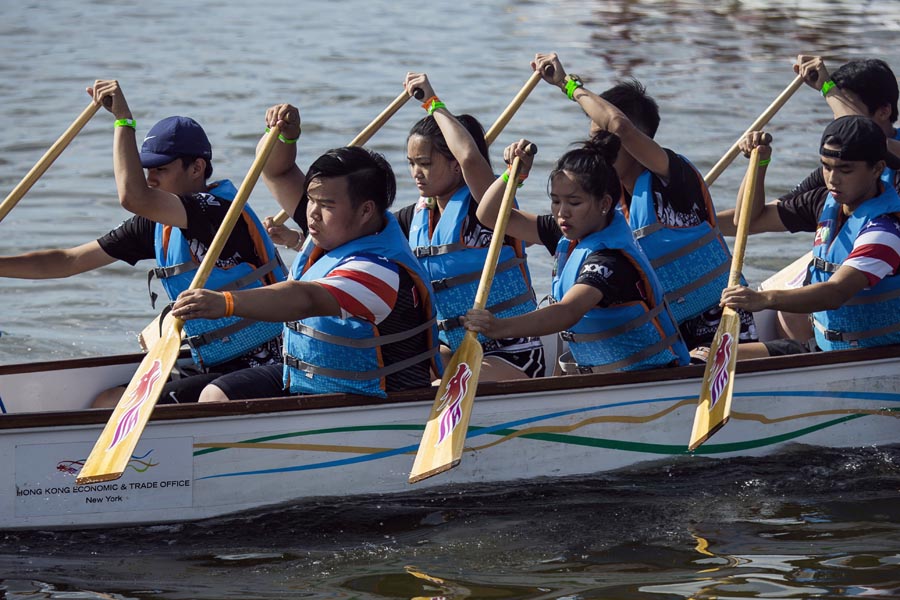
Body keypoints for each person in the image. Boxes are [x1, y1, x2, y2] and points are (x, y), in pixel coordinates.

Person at [0, 80, 287, 406]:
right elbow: (68, 261)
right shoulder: (155, 224)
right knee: (107, 401)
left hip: (270, 363)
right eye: (146, 168)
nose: (150, 179)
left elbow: (133, 196)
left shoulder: (218, 212)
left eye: (160, 169)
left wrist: (123, 121)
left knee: (140, 407)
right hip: (212, 362)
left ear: (197, 168)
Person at [171, 146, 442, 401]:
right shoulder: (336, 229)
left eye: (325, 204)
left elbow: (306, 298)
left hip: (364, 396)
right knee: (213, 393)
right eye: (310, 200)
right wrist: (287, 135)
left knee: (213, 398)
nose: (311, 213)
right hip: (311, 378)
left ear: (366, 210)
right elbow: (278, 171)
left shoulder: (379, 271)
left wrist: (226, 303)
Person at [530, 53, 757, 357]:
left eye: (603, 140)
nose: (596, 151)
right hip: (664, 338)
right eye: (591, 141)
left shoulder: (673, 178)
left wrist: (567, 84)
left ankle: (782, 351)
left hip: (723, 329)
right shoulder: (604, 208)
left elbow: (620, 126)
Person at [463, 135, 690, 374]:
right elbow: (489, 215)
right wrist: (514, 175)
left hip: (651, 377)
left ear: (604, 204)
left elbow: (567, 311)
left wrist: (499, 327)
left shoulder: (611, 259)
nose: (562, 213)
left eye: (574, 202)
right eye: (555, 201)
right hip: (603, 379)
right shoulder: (567, 232)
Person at [392, 72, 544, 381]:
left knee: (440, 385)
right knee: (398, 375)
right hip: (456, 350)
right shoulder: (411, 219)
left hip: (515, 353)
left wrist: (431, 102)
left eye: (425, 163)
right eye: (411, 163)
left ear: (454, 164)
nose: (416, 173)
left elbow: (471, 158)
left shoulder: (488, 208)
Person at [720, 115, 900, 357]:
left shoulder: (886, 230)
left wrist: (763, 299)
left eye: (845, 170)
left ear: (877, 168)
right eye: (826, 166)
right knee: (711, 355)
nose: (833, 179)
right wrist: (759, 165)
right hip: (824, 349)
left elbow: (835, 293)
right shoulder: (822, 202)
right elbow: (746, 221)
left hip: (872, 358)